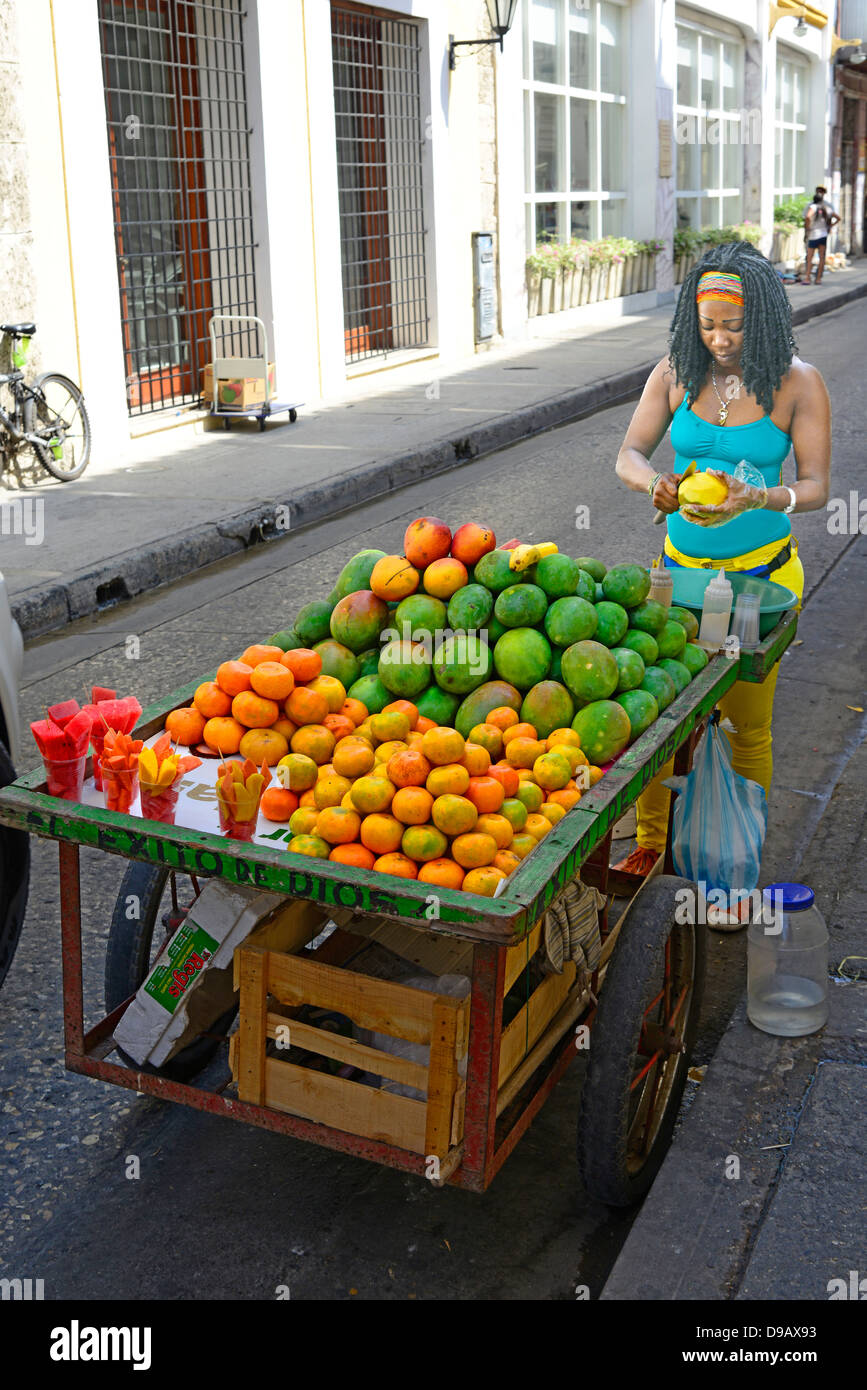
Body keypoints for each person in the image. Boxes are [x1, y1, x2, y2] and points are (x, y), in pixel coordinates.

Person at [612, 240, 831, 926]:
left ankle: (739, 864)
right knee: (660, 716)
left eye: (733, 327)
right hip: (676, 579)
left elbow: (818, 488)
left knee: (744, 726)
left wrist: (757, 500)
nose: (719, 340)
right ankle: (648, 848)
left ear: (763, 319)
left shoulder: (798, 384)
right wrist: (657, 486)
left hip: (758, 585)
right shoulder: (675, 373)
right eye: (707, 326)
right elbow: (627, 453)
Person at [802, 186, 840, 285]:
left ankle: (807, 278)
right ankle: (818, 279)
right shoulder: (827, 207)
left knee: (810, 257)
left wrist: (808, 227)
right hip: (823, 235)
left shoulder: (812, 206)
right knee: (822, 257)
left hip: (813, 235)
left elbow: (807, 216)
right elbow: (837, 218)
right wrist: (830, 226)